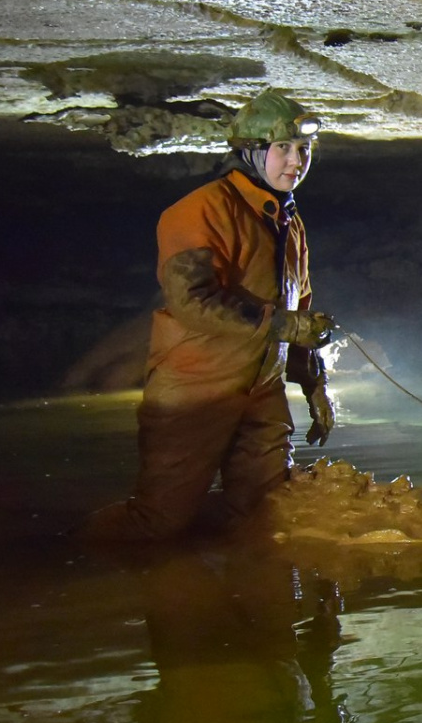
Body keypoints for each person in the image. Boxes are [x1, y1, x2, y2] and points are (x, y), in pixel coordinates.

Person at [83, 90, 337, 541]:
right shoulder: (199, 211)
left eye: (304, 149)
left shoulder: (287, 220)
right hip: (195, 389)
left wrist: (313, 381)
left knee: (262, 515)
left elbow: (297, 310)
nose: (296, 161)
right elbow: (193, 301)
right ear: (251, 152)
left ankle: (251, 601)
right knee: (159, 521)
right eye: (283, 148)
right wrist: (283, 326)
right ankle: (64, 567)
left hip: (261, 390)